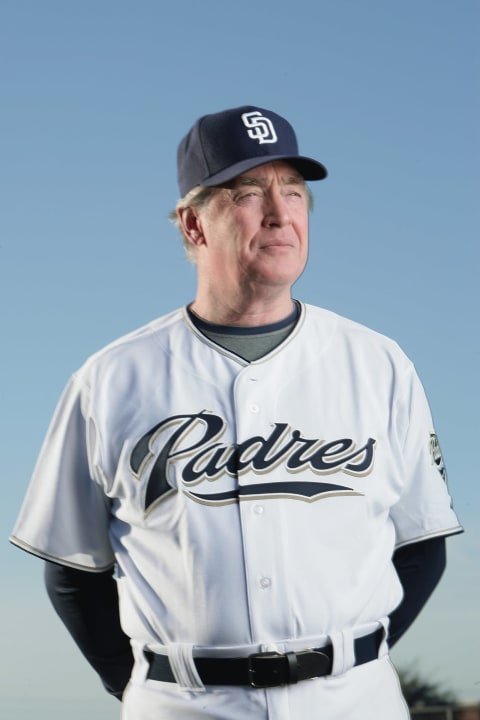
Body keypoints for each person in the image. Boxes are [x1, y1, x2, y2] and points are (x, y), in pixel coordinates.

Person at [10, 105, 463, 720]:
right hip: (185, 705)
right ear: (194, 225)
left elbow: (420, 547)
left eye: (294, 192)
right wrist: (144, 686)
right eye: (249, 193)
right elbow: (73, 571)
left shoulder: (379, 363)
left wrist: (347, 661)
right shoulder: (111, 378)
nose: (280, 214)